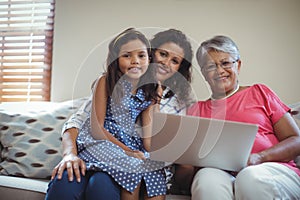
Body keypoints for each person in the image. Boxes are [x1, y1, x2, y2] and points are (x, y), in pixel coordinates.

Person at [45, 28, 195, 200]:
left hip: (132, 150)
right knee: (127, 171)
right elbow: (84, 124)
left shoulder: (163, 96)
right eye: (163, 54)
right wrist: (69, 153)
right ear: (151, 54)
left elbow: (149, 138)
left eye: (174, 60)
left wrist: (164, 153)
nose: (166, 63)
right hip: (106, 144)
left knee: (152, 172)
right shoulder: (109, 82)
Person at [187, 35, 300, 200]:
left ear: (238, 65)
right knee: (206, 179)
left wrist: (259, 157)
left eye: (225, 63)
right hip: (222, 173)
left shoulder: (260, 92)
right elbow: (187, 170)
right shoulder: (195, 110)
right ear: (204, 73)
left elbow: (296, 140)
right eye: (211, 66)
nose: (219, 71)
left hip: (271, 169)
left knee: (249, 177)